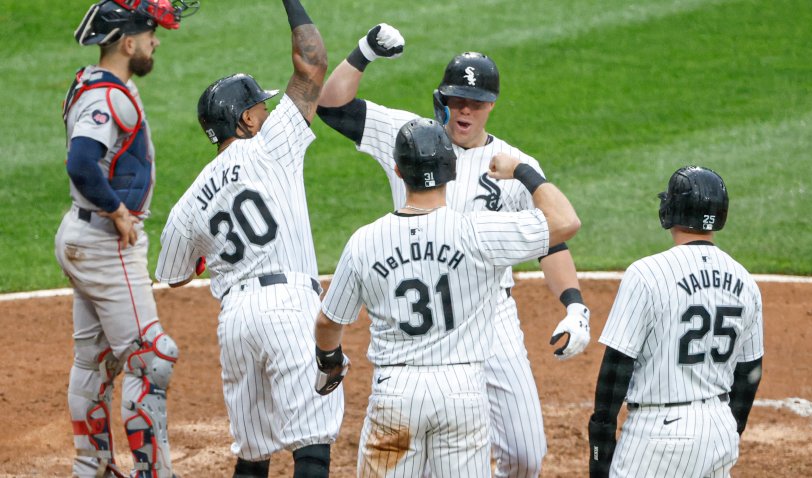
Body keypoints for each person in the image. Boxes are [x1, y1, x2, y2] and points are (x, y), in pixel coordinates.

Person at [316, 24, 591, 477]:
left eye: (476, 102)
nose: (464, 110)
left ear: (492, 105)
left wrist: (575, 305)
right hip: (419, 319)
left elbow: (552, 239)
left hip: (492, 312)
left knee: (526, 454)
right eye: (456, 99)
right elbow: (331, 105)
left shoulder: (515, 163)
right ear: (442, 98)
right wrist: (364, 51)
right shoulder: (409, 137)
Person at [154, 1, 343, 477]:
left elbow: (173, 275)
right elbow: (313, 63)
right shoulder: (273, 142)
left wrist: (208, 255)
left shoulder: (188, 203)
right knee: (312, 445)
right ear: (247, 121)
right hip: (288, 307)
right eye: (261, 104)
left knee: (253, 453)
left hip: (236, 321)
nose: (268, 108)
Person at [55, 1, 197, 476]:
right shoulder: (104, 97)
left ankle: (90, 468)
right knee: (150, 357)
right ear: (128, 43)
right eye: (150, 34)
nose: (156, 41)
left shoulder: (99, 85)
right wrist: (117, 210)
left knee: (95, 360)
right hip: (103, 244)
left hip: (82, 236)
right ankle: (152, 472)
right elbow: (80, 162)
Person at [587, 166, 764, 478]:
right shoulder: (746, 281)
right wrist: (724, 432)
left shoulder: (646, 273)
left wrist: (600, 447)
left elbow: (616, 368)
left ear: (672, 209)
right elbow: (749, 373)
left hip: (659, 435)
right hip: (720, 428)